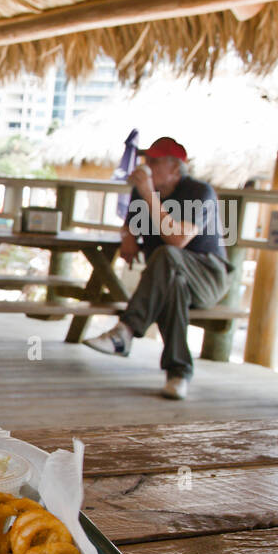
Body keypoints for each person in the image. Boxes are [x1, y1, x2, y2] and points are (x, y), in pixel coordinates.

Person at [82, 136, 231, 400]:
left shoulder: (198, 192)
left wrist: (149, 192)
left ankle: (126, 330)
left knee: (166, 253)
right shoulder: (142, 192)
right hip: (173, 277)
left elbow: (177, 239)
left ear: (175, 168)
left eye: (154, 161)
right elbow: (129, 225)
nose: (147, 165)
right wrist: (128, 236)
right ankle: (178, 374)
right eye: (146, 160)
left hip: (208, 277)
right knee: (174, 287)